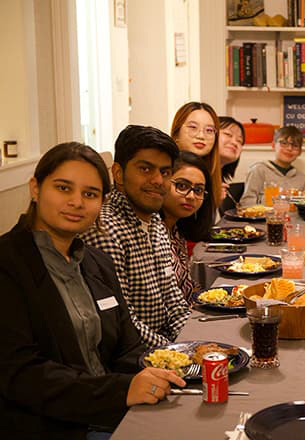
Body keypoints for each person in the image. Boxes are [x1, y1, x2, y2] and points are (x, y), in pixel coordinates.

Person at [0, 142, 185, 438]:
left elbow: (127, 347)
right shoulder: (8, 265)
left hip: (114, 413)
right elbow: (22, 374)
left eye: (90, 194)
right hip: (51, 425)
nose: (77, 202)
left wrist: (172, 367)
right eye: (63, 188)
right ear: (35, 188)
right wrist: (122, 390)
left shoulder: (97, 263)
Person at [81, 125, 192, 348]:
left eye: (165, 172)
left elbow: (174, 300)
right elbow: (126, 325)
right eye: (145, 169)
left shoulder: (155, 221)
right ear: (118, 173)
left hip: (168, 345)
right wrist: (176, 352)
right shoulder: (105, 229)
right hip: (136, 357)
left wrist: (194, 342)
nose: (158, 180)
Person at [161, 151, 214, 304]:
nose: (191, 196)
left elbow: (188, 287)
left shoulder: (177, 231)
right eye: (182, 186)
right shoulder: (152, 232)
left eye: (198, 190)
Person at [171, 102, 223, 210]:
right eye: (193, 127)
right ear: (176, 134)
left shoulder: (209, 174)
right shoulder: (166, 169)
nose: (201, 136)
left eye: (209, 130)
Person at [240, 125, 305, 206]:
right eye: (284, 143)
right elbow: (247, 202)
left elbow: (304, 207)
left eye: (295, 146)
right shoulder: (259, 170)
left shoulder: (302, 179)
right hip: (264, 217)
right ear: (273, 145)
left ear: (300, 152)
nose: (290, 148)